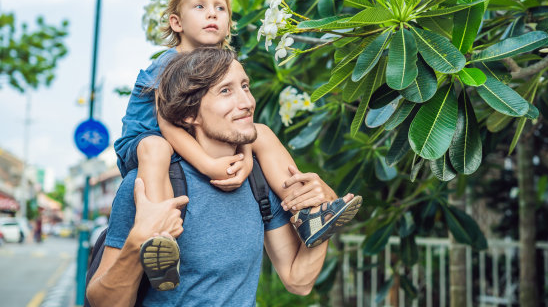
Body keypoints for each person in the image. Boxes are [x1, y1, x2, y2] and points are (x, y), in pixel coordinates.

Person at [112, 0, 361, 290]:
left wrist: (244, 155)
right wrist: (208, 165)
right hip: (147, 143)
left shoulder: (223, 66)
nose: (212, 13)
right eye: (200, 6)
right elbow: (168, 127)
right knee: (155, 148)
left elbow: (240, 128)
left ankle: (308, 212)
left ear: (229, 25)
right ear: (176, 22)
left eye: (220, 8)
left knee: (263, 133)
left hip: (191, 139)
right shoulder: (168, 64)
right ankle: (162, 239)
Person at [86, 47, 351, 306]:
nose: (247, 103)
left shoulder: (259, 182)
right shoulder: (145, 186)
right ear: (190, 114)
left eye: (245, 87)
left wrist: (325, 212)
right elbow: (103, 301)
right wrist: (137, 242)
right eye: (226, 91)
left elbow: (299, 281)